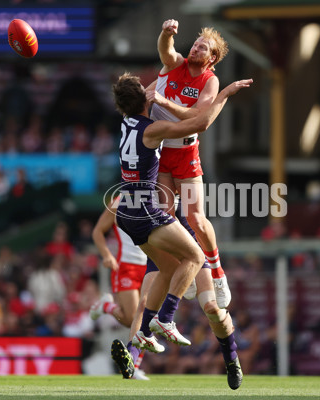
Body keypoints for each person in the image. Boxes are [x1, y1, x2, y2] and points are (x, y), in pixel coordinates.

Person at [108, 72, 250, 386]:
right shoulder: (157, 133)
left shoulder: (129, 126)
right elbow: (198, 124)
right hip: (151, 216)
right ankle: (155, 330)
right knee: (184, 266)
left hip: (133, 215)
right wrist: (224, 93)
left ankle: (229, 359)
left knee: (200, 295)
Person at [147, 19, 232, 308]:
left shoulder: (210, 81)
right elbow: (166, 51)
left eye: (203, 47)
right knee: (167, 219)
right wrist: (165, 33)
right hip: (160, 153)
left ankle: (218, 273)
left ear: (213, 58)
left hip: (186, 153)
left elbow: (197, 118)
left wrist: (164, 102)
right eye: (196, 43)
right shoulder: (176, 65)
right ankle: (189, 269)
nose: (196, 47)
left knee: (196, 218)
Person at [90, 196, 150, 380]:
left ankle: (135, 366)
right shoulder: (119, 201)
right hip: (126, 267)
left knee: (147, 318)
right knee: (132, 319)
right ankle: (106, 306)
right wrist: (107, 255)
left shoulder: (157, 198)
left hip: (150, 266)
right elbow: (98, 231)